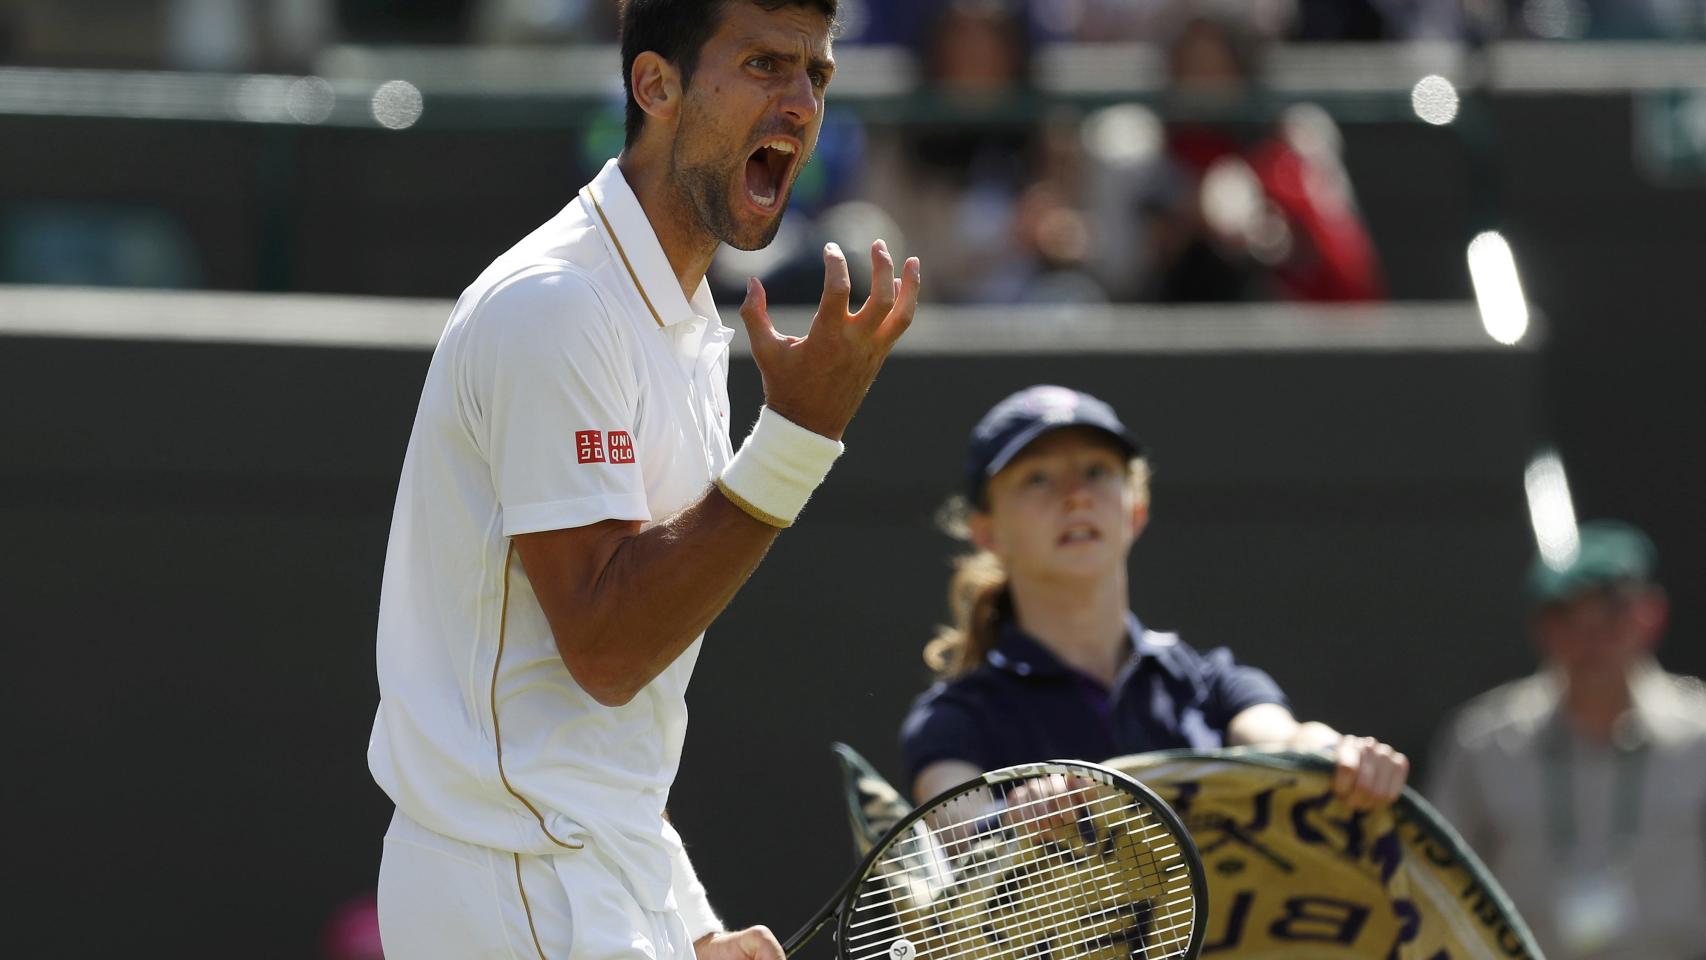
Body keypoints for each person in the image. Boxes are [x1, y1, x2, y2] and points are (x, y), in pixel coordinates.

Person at [366, 0, 922, 955]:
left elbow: (595, 738)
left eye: (817, 75)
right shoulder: (558, 307)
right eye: (762, 64)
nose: (798, 102)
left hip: (575, 871)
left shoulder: (676, 315)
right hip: (519, 887)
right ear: (654, 85)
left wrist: (688, 923)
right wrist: (799, 433)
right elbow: (609, 648)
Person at [899, 384, 1408, 808]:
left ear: (1135, 511)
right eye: (1037, 478)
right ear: (987, 532)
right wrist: (1012, 821)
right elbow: (956, 820)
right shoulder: (955, 717)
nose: (1075, 494)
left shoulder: (1213, 686)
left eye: (1097, 471)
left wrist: (1338, 754)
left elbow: (1289, 742)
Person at [1427, 521, 1706, 960]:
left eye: (1611, 613)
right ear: (1540, 627)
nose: (1590, 636)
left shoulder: (1699, 736)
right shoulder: (1485, 741)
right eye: (1567, 615)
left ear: (1652, 615)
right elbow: (1437, 882)